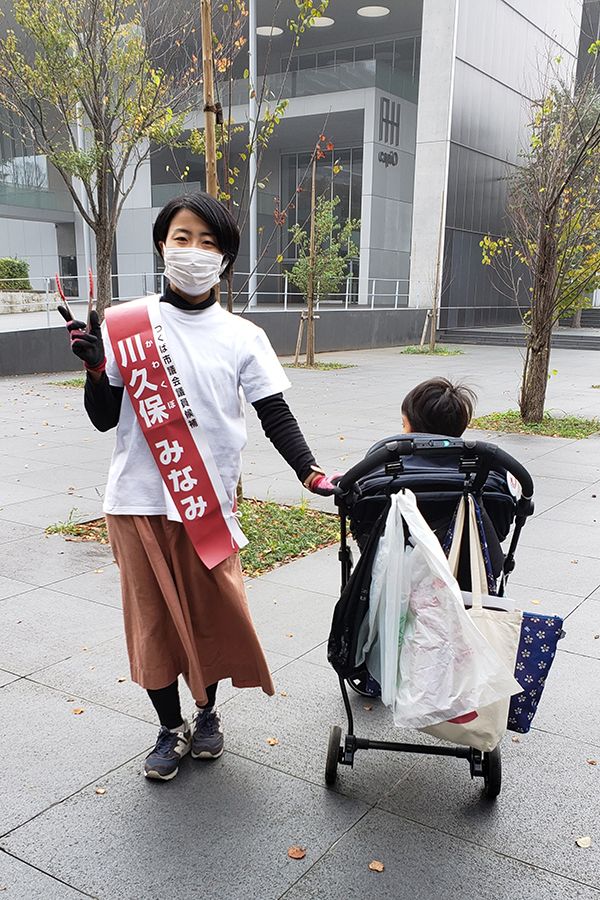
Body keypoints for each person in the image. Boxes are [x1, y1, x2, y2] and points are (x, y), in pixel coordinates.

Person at [59, 191, 336, 782]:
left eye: (209, 243)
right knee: (153, 623)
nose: (194, 252)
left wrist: (308, 470)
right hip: (137, 501)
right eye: (182, 238)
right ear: (162, 244)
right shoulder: (126, 324)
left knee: (212, 615)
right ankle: (170, 726)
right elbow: (104, 417)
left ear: (225, 257)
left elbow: (274, 412)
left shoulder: (242, 335)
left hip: (207, 502)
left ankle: (207, 711)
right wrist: (95, 369)